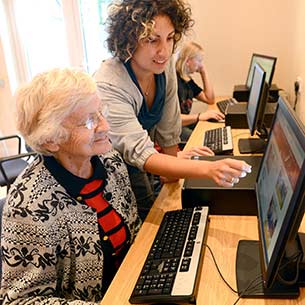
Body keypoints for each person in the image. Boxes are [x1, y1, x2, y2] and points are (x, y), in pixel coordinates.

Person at [94, 0, 252, 221]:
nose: (165, 51)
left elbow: (169, 130)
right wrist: (209, 169)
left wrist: (174, 166)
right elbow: (139, 152)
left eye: (170, 38)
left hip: (143, 161)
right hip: (111, 174)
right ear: (129, 40)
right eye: (152, 40)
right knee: (144, 224)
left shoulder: (163, 66)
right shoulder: (109, 84)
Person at [0, 68, 141, 304]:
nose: (105, 126)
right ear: (51, 139)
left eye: (100, 113)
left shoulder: (110, 160)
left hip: (132, 287)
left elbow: (133, 230)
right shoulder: (28, 205)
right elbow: (21, 301)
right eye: (89, 120)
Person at [176, 41, 224, 142]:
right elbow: (171, 119)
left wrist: (203, 72)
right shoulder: (174, 81)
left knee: (212, 127)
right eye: (199, 60)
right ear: (188, 61)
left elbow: (209, 99)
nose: (201, 65)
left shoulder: (187, 80)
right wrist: (199, 116)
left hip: (182, 124)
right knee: (204, 140)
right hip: (174, 128)